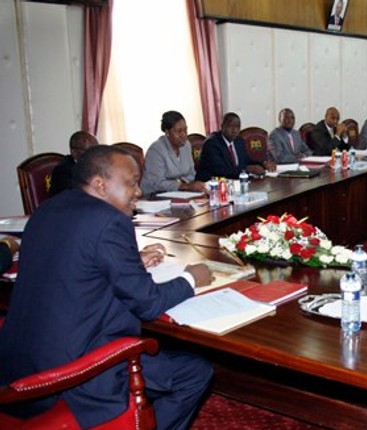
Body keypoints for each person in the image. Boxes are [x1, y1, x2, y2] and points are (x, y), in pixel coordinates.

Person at [0, 145, 214, 429]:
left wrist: (128, 259)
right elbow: (147, 303)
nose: (138, 191)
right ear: (100, 185)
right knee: (195, 371)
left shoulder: (48, 209)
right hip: (75, 372)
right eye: (131, 183)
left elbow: (70, 257)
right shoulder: (110, 221)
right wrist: (191, 277)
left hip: (22, 361)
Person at [141, 111, 205, 196]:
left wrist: (182, 183)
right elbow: (156, 183)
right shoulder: (156, 150)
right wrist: (183, 186)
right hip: (155, 196)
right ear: (167, 132)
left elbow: (191, 174)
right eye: (178, 131)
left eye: (185, 130)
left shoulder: (186, 145)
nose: (183, 135)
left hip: (180, 194)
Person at [196, 112, 270, 181]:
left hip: (234, 183)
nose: (235, 130)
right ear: (222, 126)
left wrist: (264, 164)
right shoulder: (212, 143)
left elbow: (247, 161)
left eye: (237, 127)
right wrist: (247, 169)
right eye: (231, 126)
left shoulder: (239, 141)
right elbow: (221, 170)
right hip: (211, 184)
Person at [50, 130, 99, 196]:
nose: (95, 155)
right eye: (90, 151)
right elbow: (79, 195)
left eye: (96, 151)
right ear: (74, 152)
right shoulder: (63, 171)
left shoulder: (94, 165)